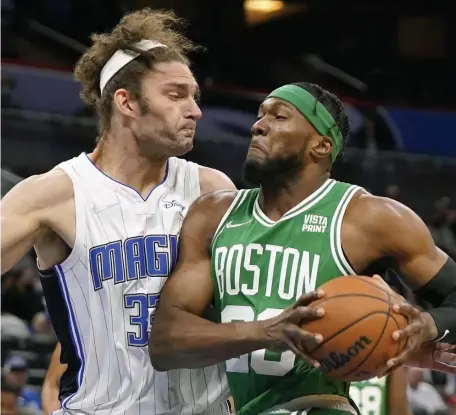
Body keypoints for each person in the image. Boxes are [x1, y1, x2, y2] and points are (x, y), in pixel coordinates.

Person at [149, 82, 456, 415]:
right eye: (260, 116)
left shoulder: (370, 217)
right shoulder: (212, 216)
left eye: (279, 116)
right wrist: (266, 332)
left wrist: (427, 324)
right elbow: (166, 343)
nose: (258, 126)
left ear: (321, 146)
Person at [1, 8, 235, 415]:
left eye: (195, 96)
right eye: (176, 94)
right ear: (126, 102)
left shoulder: (212, 189)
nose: (195, 111)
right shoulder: (52, 194)